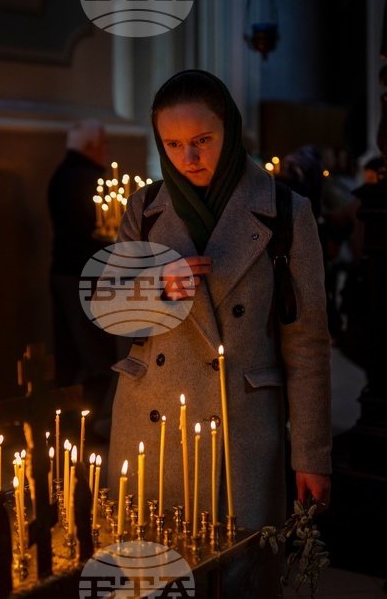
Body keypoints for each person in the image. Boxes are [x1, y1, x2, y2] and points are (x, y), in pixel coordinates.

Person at [106, 70, 331, 593]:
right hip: (150, 426)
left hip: (243, 428)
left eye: (202, 141)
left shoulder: (287, 212)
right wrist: (157, 289)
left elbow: (308, 342)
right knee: (151, 576)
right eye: (174, 144)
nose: (189, 158)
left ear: (229, 130)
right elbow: (113, 312)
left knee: (240, 576)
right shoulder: (144, 209)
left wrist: (312, 455)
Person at [47, 120, 119, 444]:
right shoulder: (90, 181)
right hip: (85, 278)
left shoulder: (60, 175)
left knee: (71, 358)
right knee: (97, 360)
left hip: (62, 274)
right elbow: (100, 232)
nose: (105, 152)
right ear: (91, 147)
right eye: (102, 145)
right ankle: (81, 432)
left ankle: (68, 431)